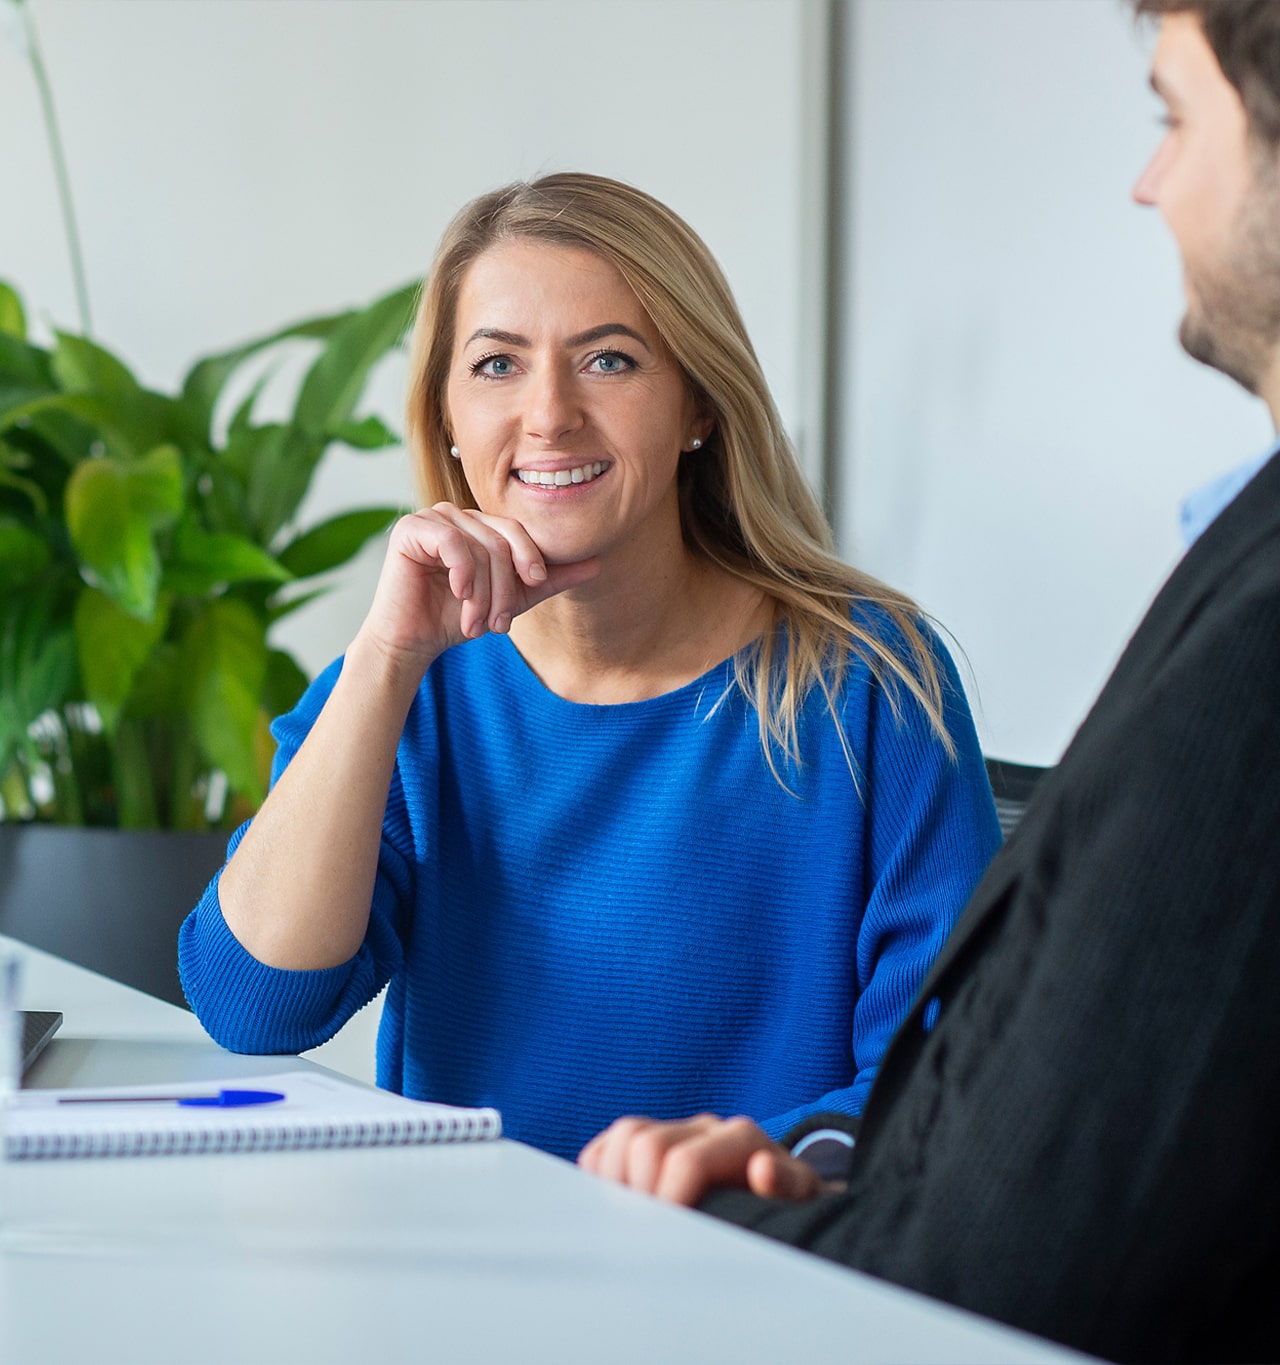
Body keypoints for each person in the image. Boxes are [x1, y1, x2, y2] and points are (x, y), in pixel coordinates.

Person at [575, 6, 1280, 1360]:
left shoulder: (1238, 660)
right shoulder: (1237, 567)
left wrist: (711, 1233)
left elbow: (1044, 1260)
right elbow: (251, 999)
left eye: (1172, 117)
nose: (1148, 179)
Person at [177, 174, 1003, 1161]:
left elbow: (951, 1072)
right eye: (495, 366)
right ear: (443, 414)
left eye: (608, 360)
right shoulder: (416, 688)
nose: (548, 414)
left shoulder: (870, 683)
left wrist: (757, 1163)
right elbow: (255, 1005)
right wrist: (385, 660)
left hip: (753, 1264)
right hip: (476, 1277)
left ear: (697, 404)